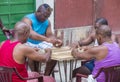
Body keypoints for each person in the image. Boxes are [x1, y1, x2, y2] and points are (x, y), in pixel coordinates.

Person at [22, 3, 63, 75]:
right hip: (27, 42)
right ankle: (36, 74)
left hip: (40, 42)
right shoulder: (27, 19)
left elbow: (50, 35)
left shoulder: (47, 22)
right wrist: (47, 39)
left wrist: (55, 41)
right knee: (32, 53)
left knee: (54, 54)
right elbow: (30, 34)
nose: (46, 18)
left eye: (48, 16)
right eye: (44, 16)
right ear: (37, 12)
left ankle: (46, 76)